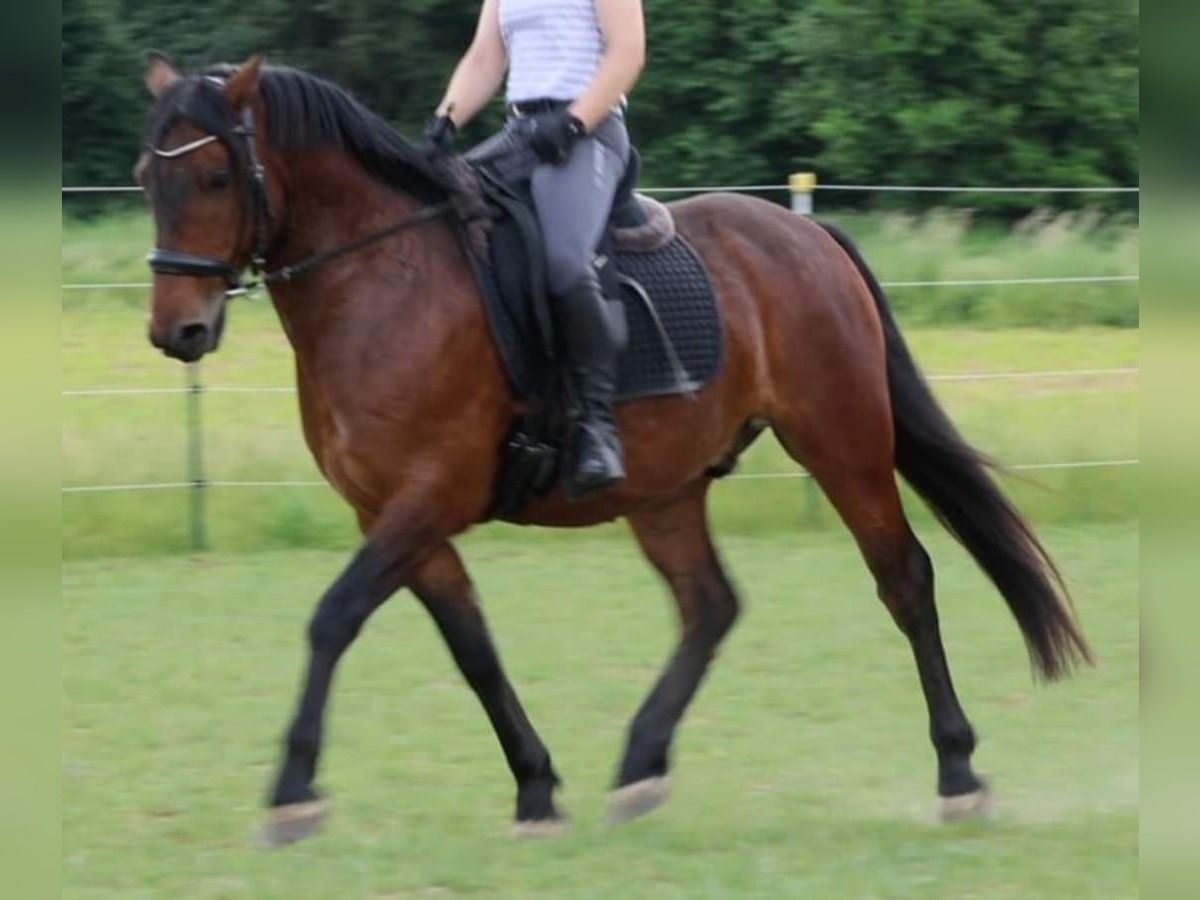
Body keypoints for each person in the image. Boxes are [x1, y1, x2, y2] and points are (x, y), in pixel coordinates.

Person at [422, 0, 646, 500]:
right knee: (435, 229)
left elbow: (628, 53)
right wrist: (446, 120)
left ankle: (597, 426)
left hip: (588, 135)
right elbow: (485, 58)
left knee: (566, 263)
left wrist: (573, 122)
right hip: (519, 134)